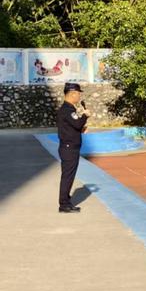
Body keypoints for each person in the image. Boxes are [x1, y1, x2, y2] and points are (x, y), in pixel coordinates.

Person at [56, 83, 89, 213]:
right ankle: (64, 204)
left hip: (68, 147)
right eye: (78, 93)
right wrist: (85, 115)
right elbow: (77, 123)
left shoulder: (67, 109)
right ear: (73, 94)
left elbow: (71, 127)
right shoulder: (67, 110)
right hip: (69, 148)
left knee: (68, 175)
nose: (79, 96)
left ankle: (66, 199)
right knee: (68, 176)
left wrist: (81, 129)